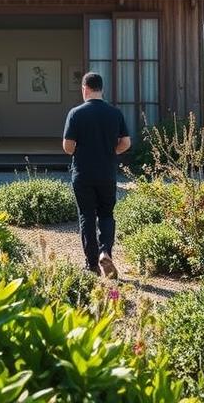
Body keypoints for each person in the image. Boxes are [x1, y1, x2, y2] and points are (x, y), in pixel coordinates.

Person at [62, 71, 130, 278]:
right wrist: (109, 152)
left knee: (87, 217)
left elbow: (67, 146)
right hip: (107, 173)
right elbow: (126, 143)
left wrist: (82, 152)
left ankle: (91, 264)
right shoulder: (114, 113)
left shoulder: (76, 113)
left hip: (83, 173)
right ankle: (105, 252)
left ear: (85, 89)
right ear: (101, 89)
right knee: (107, 214)